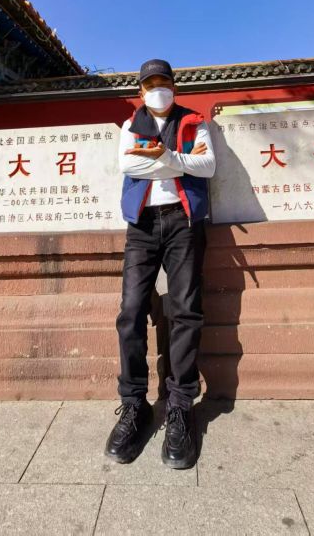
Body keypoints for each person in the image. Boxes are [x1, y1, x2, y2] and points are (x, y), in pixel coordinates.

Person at [104, 58, 216, 469]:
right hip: (142, 226)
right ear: (141, 91)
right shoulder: (130, 125)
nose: (157, 89)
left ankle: (181, 405)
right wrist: (181, 161)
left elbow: (209, 165)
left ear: (174, 86)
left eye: (163, 82)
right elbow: (128, 165)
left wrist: (165, 155)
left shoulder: (195, 122)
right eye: (150, 84)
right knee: (132, 311)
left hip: (184, 224)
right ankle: (135, 404)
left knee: (185, 310)